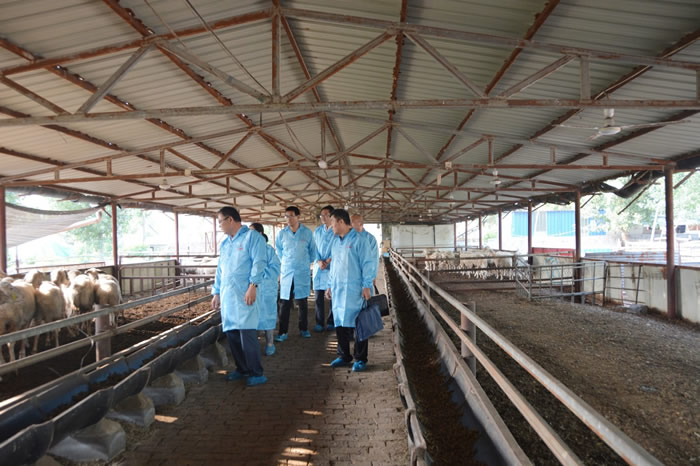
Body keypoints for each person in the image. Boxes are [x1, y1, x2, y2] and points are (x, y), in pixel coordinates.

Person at [211, 207, 268, 386]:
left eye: (220, 221)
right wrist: (216, 292)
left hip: (245, 294)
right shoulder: (225, 244)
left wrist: (253, 285)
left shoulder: (252, 237)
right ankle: (242, 369)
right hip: (228, 296)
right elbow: (220, 270)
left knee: (247, 334)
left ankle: (256, 372)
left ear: (230, 220)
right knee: (232, 335)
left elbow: (259, 262)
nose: (219, 226)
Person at [326, 209, 376, 372]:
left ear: (341, 222)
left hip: (355, 289)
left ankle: (360, 358)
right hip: (338, 288)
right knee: (339, 321)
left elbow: (368, 263)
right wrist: (329, 285)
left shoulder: (359, 240)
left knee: (359, 323)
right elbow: (334, 266)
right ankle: (343, 355)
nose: (331, 226)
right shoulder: (335, 241)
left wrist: (366, 285)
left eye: (332, 222)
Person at [275, 206, 315, 341]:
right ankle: (282, 332)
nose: (289, 219)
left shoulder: (307, 233)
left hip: (302, 272)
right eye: (286, 216)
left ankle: (304, 329)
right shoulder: (282, 233)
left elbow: (313, 251)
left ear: (298, 216)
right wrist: (287, 262)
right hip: (287, 273)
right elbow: (279, 251)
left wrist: (304, 263)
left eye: (291, 216)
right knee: (284, 303)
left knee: (302, 302)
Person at [250, 223, 281, 356]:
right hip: (252, 289)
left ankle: (270, 343)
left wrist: (260, 274)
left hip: (266, 287)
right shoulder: (248, 250)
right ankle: (254, 344)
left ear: (260, 233)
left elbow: (275, 267)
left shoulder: (269, 250)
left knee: (268, 315)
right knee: (252, 317)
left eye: (252, 232)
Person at [312, 205, 336, 332]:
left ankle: (331, 321)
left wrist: (328, 260)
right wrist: (319, 260)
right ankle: (319, 322)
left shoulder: (336, 231)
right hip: (319, 267)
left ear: (332, 216)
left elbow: (338, 247)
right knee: (318, 297)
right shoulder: (317, 231)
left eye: (326, 215)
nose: (323, 217)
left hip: (331, 267)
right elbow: (314, 248)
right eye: (321, 215)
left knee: (332, 296)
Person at [350, 213, 379, 294]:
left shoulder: (370, 239)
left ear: (360, 224)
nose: (349, 225)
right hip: (352, 277)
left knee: (366, 298)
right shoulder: (349, 238)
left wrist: (373, 276)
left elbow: (374, 259)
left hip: (366, 276)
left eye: (352, 222)